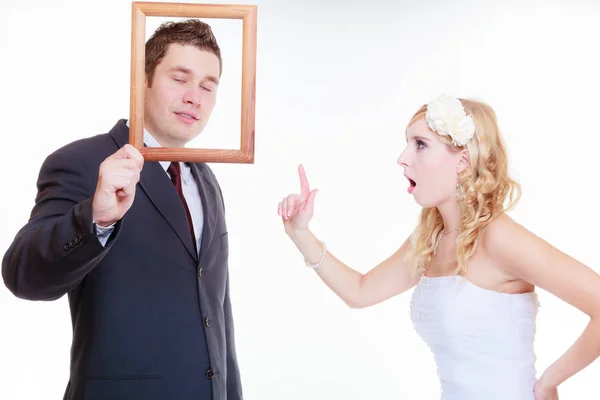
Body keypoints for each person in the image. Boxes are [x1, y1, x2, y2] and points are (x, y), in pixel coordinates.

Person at [277, 94, 600, 400]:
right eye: (407, 144)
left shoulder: (498, 237)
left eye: (420, 144)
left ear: (463, 159)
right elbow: (360, 292)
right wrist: (300, 233)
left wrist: (549, 382)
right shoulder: (431, 238)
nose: (402, 158)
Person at [2, 19, 242, 400]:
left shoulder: (205, 179)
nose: (195, 96)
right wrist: (96, 220)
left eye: (208, 85)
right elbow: (23, 276)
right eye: (180, 78)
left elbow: (217, 314)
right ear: (142, 79)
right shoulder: (83, 162)